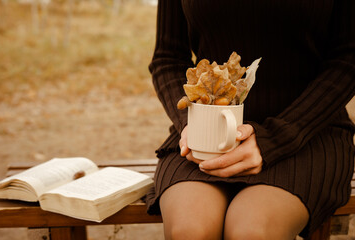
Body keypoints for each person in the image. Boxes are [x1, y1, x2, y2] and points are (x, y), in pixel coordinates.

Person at [145, 0, 355, 239]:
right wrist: (193, 123)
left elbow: (347, 59)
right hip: (207, 133)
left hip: (308, 131)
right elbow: (167, 57)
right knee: (190, 231)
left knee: (252, 232)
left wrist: (278, 138)